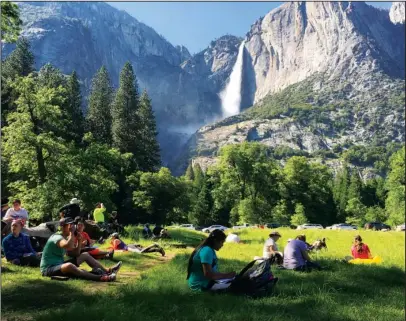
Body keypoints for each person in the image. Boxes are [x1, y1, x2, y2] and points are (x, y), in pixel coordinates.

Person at [40, 217, 121, 282]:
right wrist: (72, 233)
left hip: (59, 264)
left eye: (72, 225)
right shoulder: (56, 237)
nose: (72, 227)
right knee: (69, 266)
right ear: (62, 227)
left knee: (85, 255)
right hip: (48, 268)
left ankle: (108, 271)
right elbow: (67, 246)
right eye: (69, 225)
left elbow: (75, 254)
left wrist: (79, 241)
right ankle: (100, 277)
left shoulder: (67, 238)